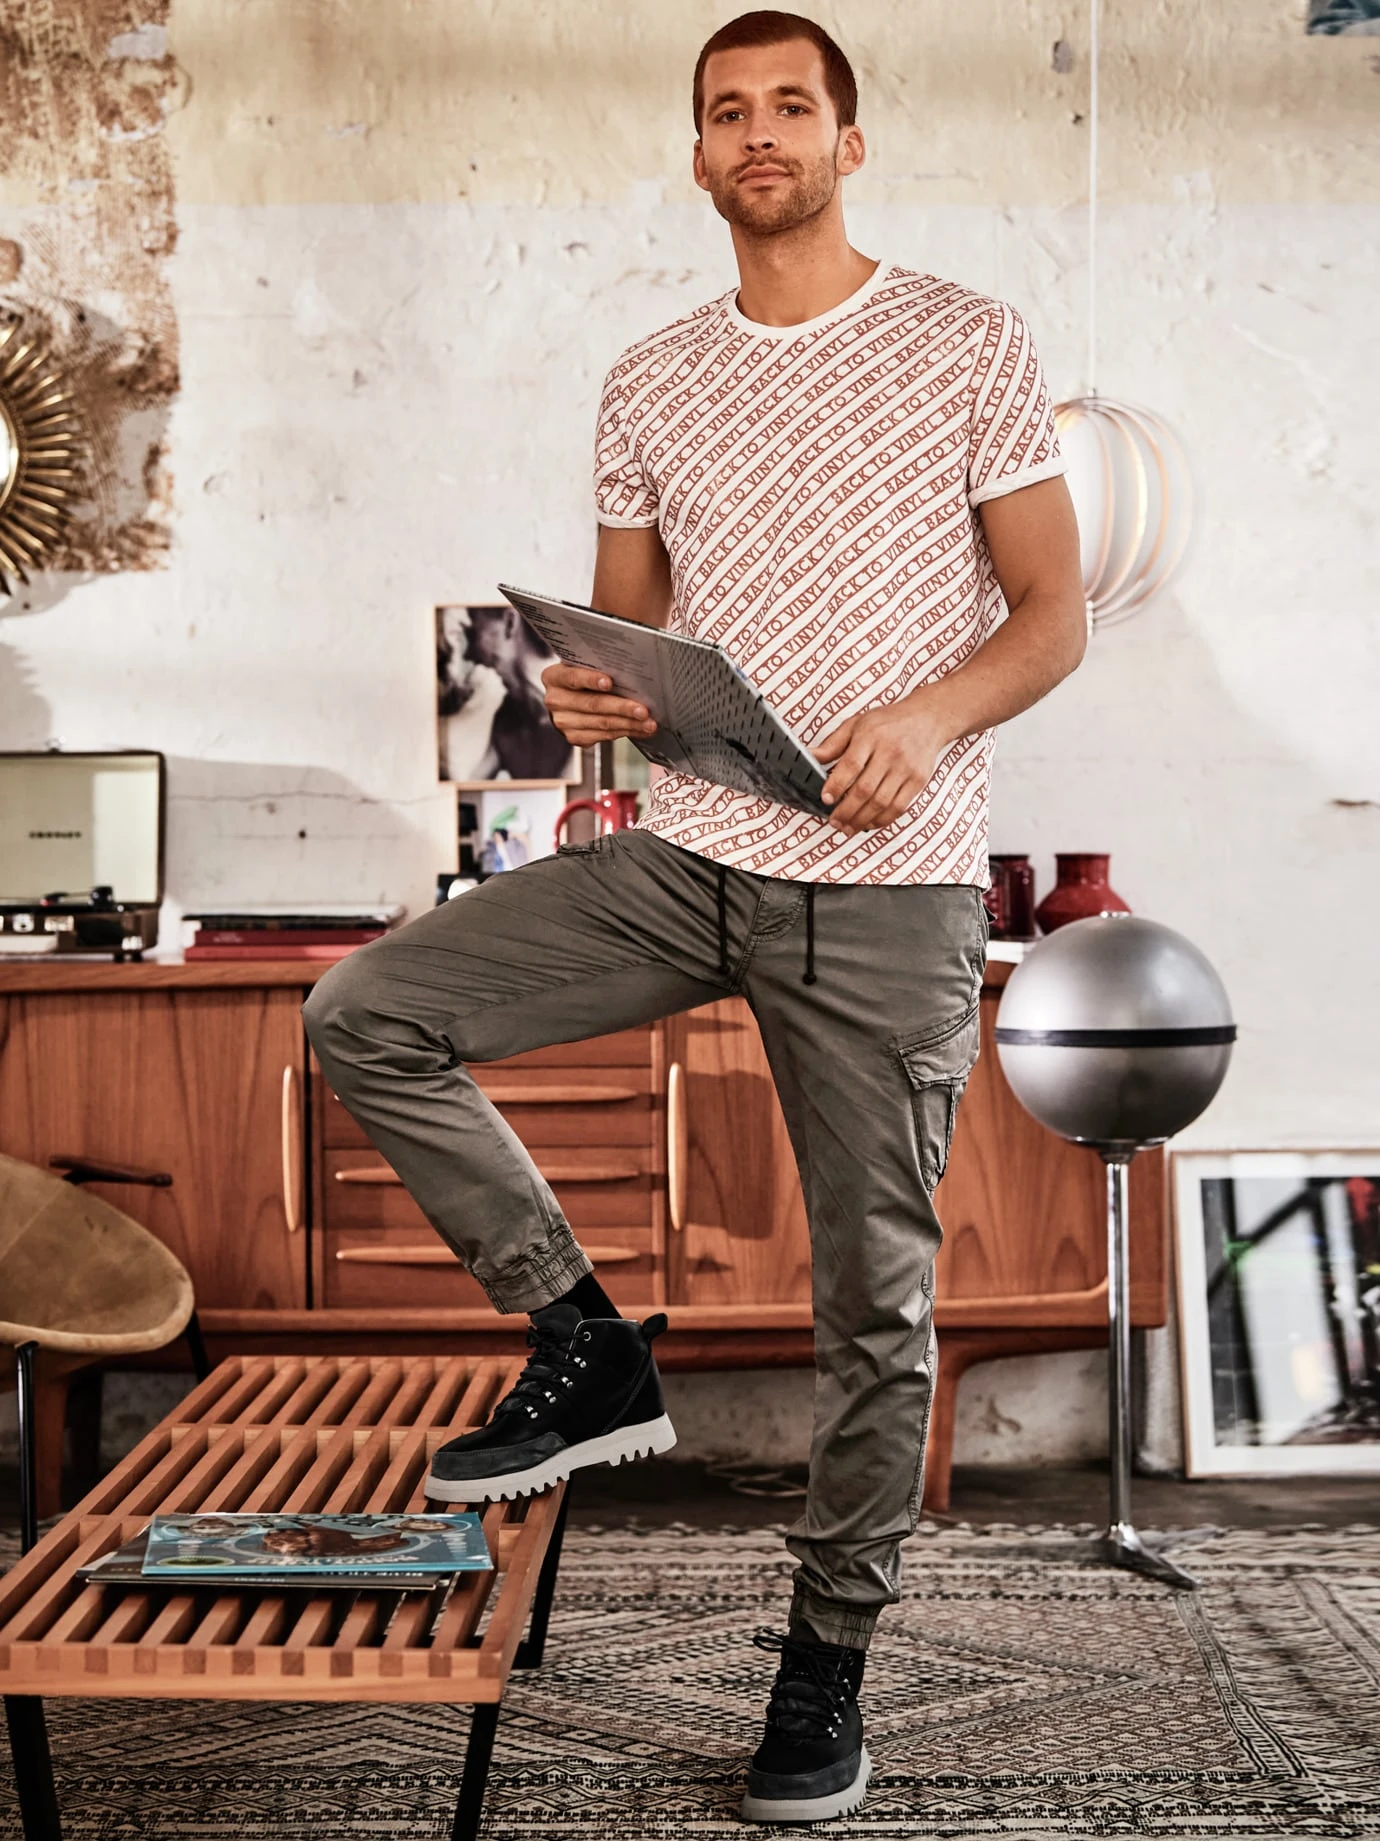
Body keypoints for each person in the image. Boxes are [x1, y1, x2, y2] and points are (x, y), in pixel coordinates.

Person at [305, 10, 1084, 1825]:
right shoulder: (650, 375)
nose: (759, 133)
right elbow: (625, 643)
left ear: (849, 142)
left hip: (889, 891)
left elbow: (1052, 614)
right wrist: (589, 697)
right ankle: (586, 1343)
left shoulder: (967, 337)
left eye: (791, 105)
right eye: (727, 112)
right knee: (367, 1014)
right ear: (698, 154)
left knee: (873, 1304)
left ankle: (826, 1662)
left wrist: (928, 718)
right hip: (689, 855)